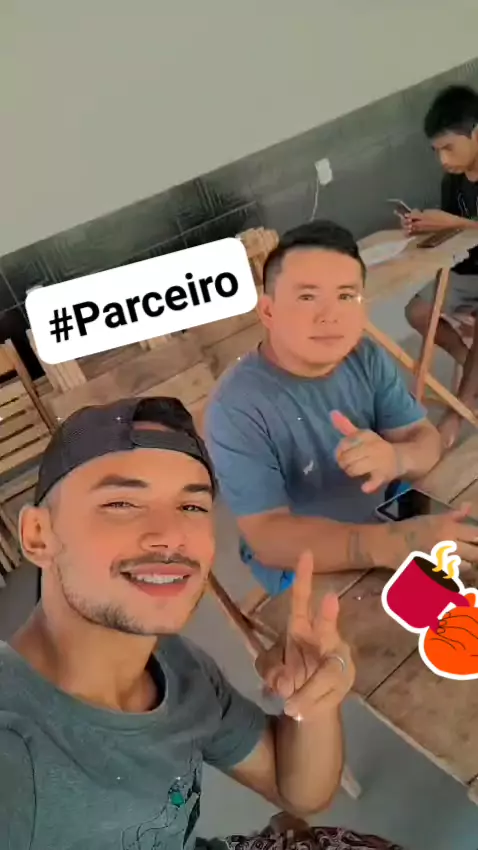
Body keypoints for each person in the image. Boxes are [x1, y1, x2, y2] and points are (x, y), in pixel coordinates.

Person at [0, 396, 402, 850]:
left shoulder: (174, 664)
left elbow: (296, 790)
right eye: (121, 503)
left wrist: (316, 702)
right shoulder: (13, 749)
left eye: (191, 507)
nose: (172, 535)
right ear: (38, 535)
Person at [204, 220, 478, 602]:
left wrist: (396, 458)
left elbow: (425, 441)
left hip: (388, 516)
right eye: (307, 297)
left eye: (346, 296)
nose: (329, 315)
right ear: (268, 311)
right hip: (306, 559)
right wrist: (389, 544)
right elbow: (267, 536)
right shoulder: (236, 407)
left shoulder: (364, 356)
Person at [404, 85, 478, 449]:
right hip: (465, 272)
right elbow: (453, 230)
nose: (443, 160)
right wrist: (427, 226)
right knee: (417, 311)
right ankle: (468, 363)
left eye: (449, 147)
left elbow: (462, 225)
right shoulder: (454, 181)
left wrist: (455, 223)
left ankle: (459, 411)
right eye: (437, 151)